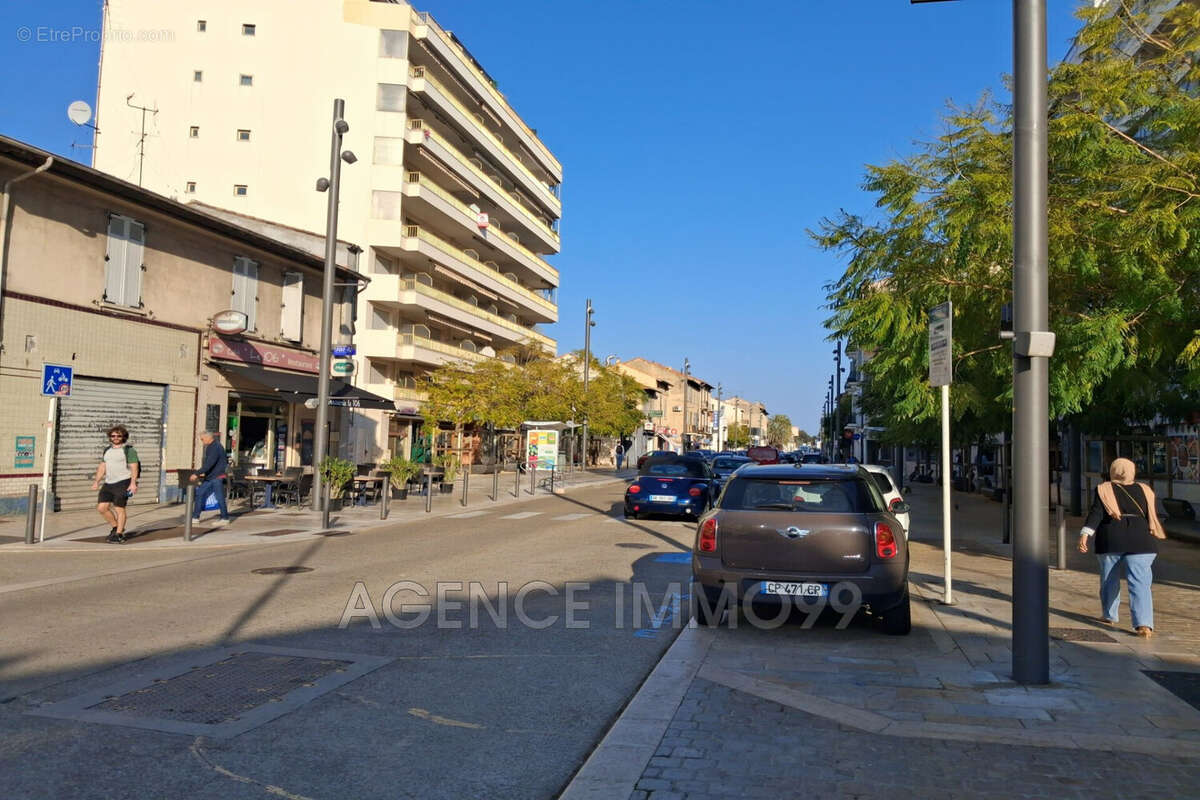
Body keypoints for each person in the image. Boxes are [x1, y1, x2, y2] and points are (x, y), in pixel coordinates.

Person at [1077, 457, 1166, 638]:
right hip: (1142, 540)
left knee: (1109, 579)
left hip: (1112, 538)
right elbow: (1151, 514)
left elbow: (1096, 513)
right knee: (1140, 583)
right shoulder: (1145, 489)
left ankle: (1109, 615)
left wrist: (1085, 535)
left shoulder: (1104, 489)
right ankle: (1144, 624)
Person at [92, 425, 140, 543]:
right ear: (110, 437)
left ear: (123, 436)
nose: (116, 437)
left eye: (119, 435)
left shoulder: (129, 450)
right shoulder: (107, 450)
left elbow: (134, 467)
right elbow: (103, 466)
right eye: (113, 436)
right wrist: (96, 481)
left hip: (124, 482)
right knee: (101, 508)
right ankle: (116, 527)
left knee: (119, 508)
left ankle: (119, 534)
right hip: (109, 482)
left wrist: (133, 483)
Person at [190, 430, 231, 525]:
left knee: (219, 497)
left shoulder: (215, 447)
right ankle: (195, 517)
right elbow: (209, 464)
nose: (202, 441)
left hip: (217, 476)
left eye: (202, 439)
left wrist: (197, 473)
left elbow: (209, 463)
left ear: (208, 438)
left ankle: (225, 518)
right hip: (210, 476)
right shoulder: (211, 446)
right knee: (199, 493)